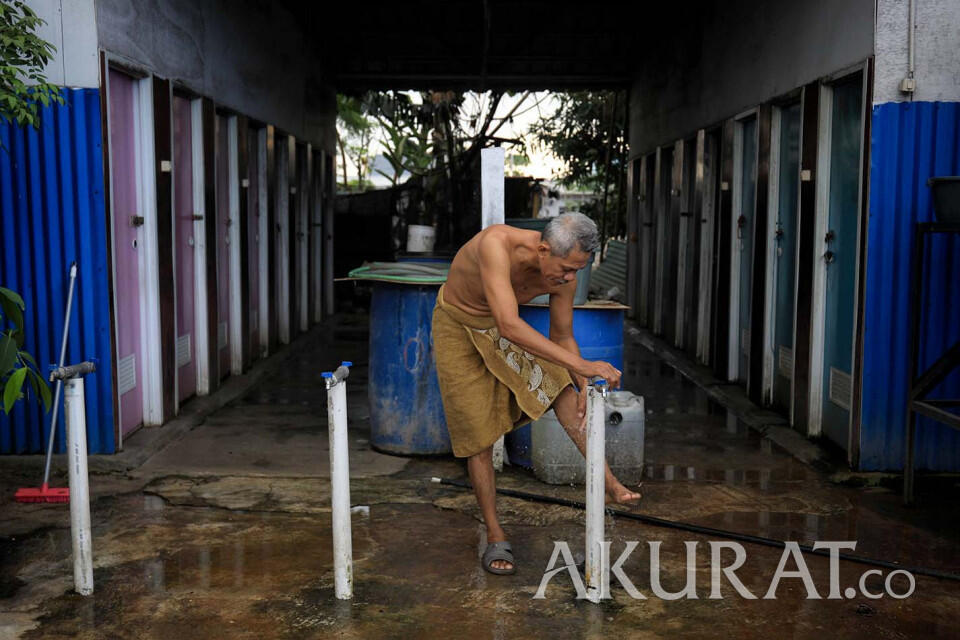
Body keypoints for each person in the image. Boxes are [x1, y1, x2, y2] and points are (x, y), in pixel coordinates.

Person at [432, 212, 642, 576]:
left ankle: (608, 481)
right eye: (566, 269)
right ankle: (496, 534)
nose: (569, 279)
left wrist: (580, 380)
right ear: (543, 249)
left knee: (562, 389)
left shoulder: (563, 274)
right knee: (477, 437)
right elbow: (510, 325)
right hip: (459, 325)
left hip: (504, 330)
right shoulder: (495, 245)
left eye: (578, 271)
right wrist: (585, 365)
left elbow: (561, 335)